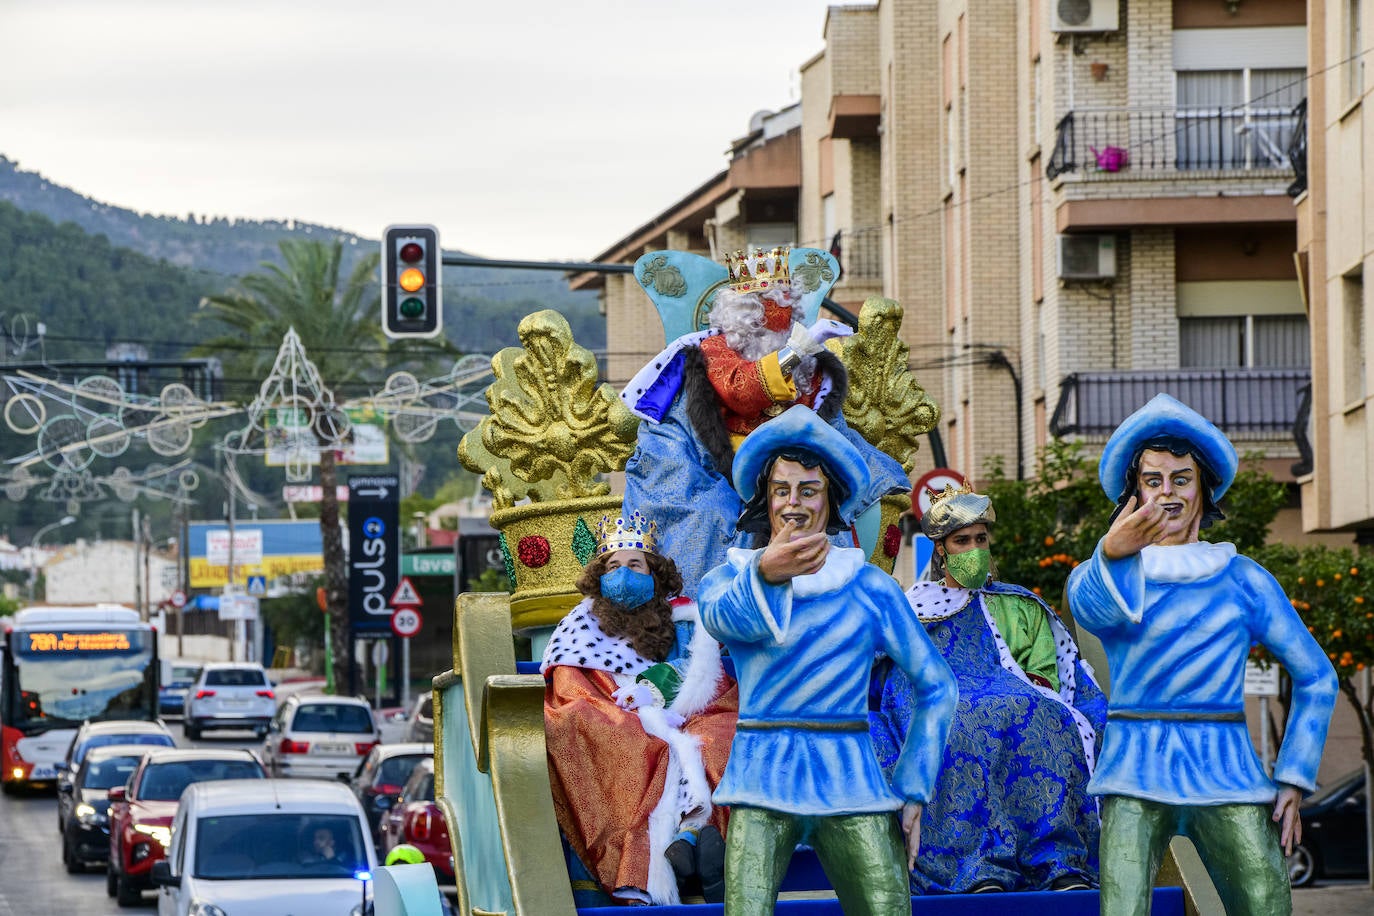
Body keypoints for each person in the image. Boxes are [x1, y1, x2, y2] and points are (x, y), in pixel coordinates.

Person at [1066, 393, 1339, 915]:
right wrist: (1112, 552)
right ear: (1134, 493)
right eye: (1152, 481)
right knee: (1121, 906)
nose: (1167, 495)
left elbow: (1317, 678)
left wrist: (1294, 775)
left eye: (1180, 479)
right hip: (1134, 768)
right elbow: (1089, 610)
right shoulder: (1115, 573)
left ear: (1203, 489)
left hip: (1226, 767)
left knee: (1265, 901)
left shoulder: (1244, 578)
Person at [698, 405, 956, 915]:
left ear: (830, 502)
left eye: (808, 490)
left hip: (851, 780)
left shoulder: (871, 588)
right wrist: (767, 575)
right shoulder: (727, 579)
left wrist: (912, 784)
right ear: (764, 501)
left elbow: (937, 686)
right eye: (781, 490)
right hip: (761, 778)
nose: (793, 504)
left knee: (887, 908)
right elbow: (723, 621)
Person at [620, 246, 910, 594]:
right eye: (773, 305)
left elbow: (822, 427)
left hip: (791, 468)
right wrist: (797, 350)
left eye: (789, 308)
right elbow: (742, 389)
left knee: (824, 504)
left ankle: (830, 602)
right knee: (711, 514)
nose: (783, 317)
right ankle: (707, 609)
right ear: (746, 314)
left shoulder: (806, 363)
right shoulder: (714, 350)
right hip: (711, 469)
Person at [868, 483, 1107, 894]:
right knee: (957, 721)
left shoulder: (1020, 605)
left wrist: (1034, 682)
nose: (975, 548)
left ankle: (1056, 862)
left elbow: (1049, 668)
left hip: (1016, 697)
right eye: (963, 540)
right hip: (946, 700)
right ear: (941, 549)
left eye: (981, 539)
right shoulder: (912, 607)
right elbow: (893, 676)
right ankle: (973, 865)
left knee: (1045, 717)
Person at [541, 511, 738, 906]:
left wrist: (665, 697)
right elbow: (572, 692)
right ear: (599, 576)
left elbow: (704, 675)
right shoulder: (579, 626)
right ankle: (656, 859)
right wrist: (637, 712)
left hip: (688, 712)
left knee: (724, 734)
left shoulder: (681, 619)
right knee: (606, 732)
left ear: (655, 574)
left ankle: (700, 839)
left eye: (636, 565)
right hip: (618, 715)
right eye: (614, 566)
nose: (625, 574)